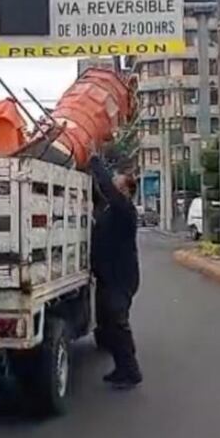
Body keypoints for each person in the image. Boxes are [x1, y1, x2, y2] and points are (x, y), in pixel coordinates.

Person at [88, 154, 142, 389]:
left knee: (118, 324)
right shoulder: (110, 208)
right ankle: (121, 368)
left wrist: (96, 162)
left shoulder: (124, 209)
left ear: (126, 191)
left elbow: (107, 188)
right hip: (108, 276)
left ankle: (131, 371)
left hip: (120, 278)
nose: (114, 185)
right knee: (107, 325)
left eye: (118, 183)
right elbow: (100, 193)